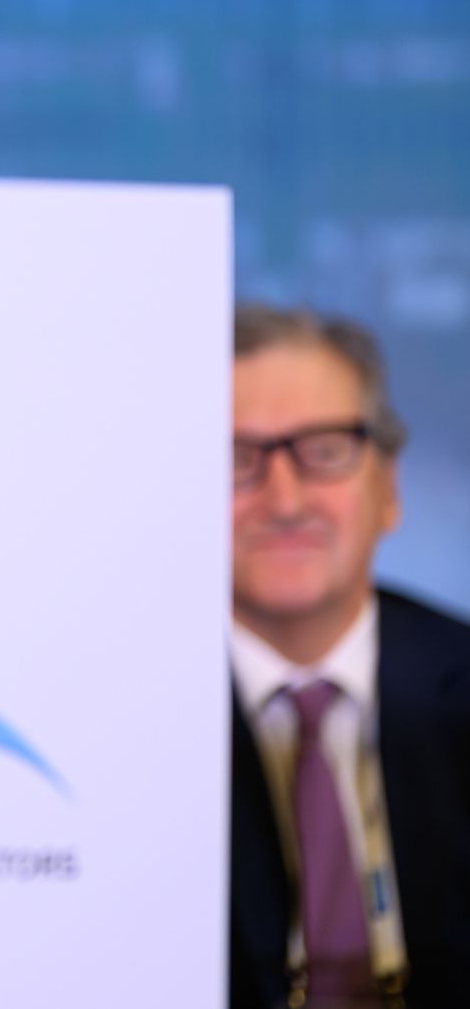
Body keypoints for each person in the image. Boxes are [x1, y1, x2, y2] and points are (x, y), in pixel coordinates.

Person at [228, 303, 469, 1009]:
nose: (284, 500)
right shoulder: (122, 718)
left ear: (387, 488)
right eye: (236, 459)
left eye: (325, 450)